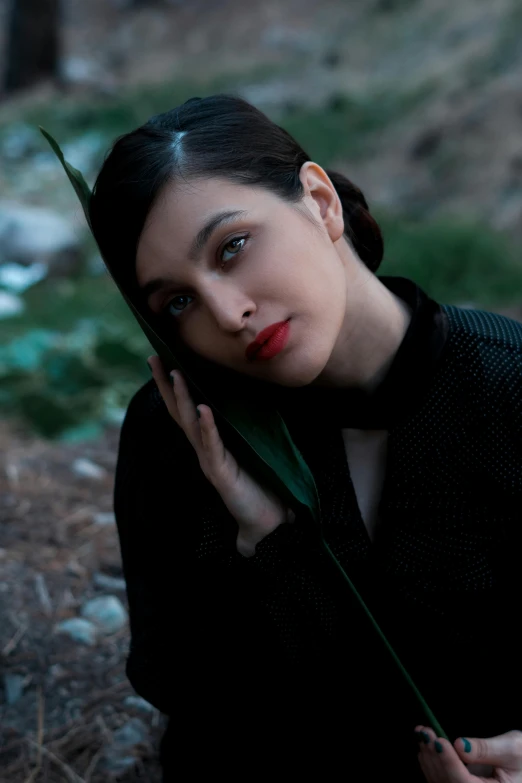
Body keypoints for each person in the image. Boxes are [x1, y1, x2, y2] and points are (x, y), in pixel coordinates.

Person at [88, 94, 522, 782]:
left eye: (231, 247)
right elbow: (183, 690)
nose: (227, 315)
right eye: (178, 301)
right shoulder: (181, 433)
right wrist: (263, 542)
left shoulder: (509, 388)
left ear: (319, 200)